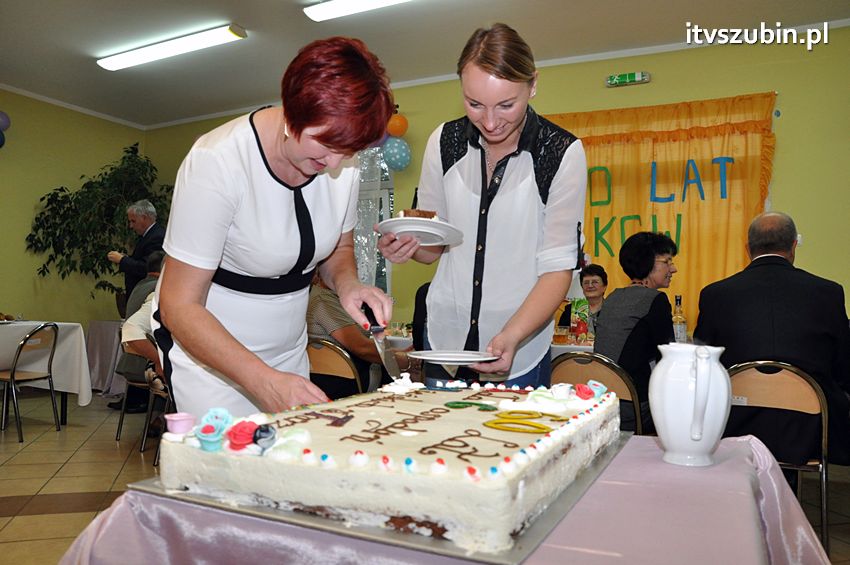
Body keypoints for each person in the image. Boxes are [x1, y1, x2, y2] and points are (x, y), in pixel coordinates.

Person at [152, 37, 395, 419]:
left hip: (288, 350)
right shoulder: (217, 162)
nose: (335, 163)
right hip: (210, 356)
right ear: (293, 111)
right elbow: (178, 305)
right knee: (226, 455)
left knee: (285, 453)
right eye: (325, 145)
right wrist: (262, 380)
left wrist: (350, 285)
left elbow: (339, 249)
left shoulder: (342, 161)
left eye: (347, 151)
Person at [377, 23, 587, 388]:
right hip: (445, 338)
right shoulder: (444, 142)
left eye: (506, 105)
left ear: (532, 85)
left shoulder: (560, 153)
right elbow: (433, 246)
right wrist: (406, 245)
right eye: (474, 104)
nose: (490, 122)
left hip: (520, 345)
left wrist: (512, 334)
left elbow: (558, 269)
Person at [694, 211, 850, 465]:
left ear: (748, 249)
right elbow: (843, 366)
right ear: (793, 246)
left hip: (736, 422)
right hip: (810, 428)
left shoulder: (715, 295)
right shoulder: (828, 293)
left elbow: (703, 364)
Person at [594, 231, 678, 432]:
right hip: (634, 408)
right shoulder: (655, 300)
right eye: (667, 262)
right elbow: (669, 359)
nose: (673, 269)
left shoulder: (612, 297)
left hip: (603, 402)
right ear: (649, 263)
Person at [307, 274, 417, 398]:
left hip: (339, 373)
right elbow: (361, 347)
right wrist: (406, 361)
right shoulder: (324, 301)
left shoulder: (330, 297)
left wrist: (399, 353)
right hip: (341, 378)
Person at [109, 251, 165, 413]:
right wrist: (159, 360)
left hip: (130, 361)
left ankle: (160, 418)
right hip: (144, 365)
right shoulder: (157, 290)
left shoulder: (140, 286)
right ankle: (162, 417)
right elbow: (132, 328)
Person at [107, 200, 165, 296]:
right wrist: (127, 258)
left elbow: (146, 268)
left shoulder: (156, 237)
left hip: (144, 293)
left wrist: (122, 260)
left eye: (133, 221)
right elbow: (141, 259)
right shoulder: (148, 235)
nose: (131, 226)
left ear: (144, 218)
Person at [580, 264, 608, 336]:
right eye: (586, 282)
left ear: (604, 287)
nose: (590, 286)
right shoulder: (570, 311)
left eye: (595, 282)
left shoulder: (613, 311)